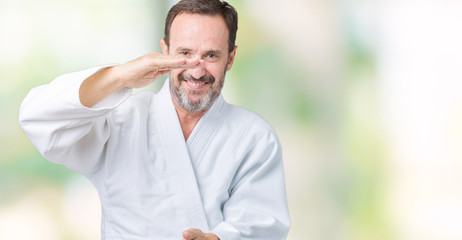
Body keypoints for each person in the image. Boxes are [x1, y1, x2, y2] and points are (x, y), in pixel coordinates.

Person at [18, 0, 290, 239]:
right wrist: (120, 76)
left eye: (211, 55)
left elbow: (264, 226)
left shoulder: (254, 137)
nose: (196, 70)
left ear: (230, 58)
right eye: (184, 54)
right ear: (164, 50)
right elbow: (38, 118)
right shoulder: (121, 120)